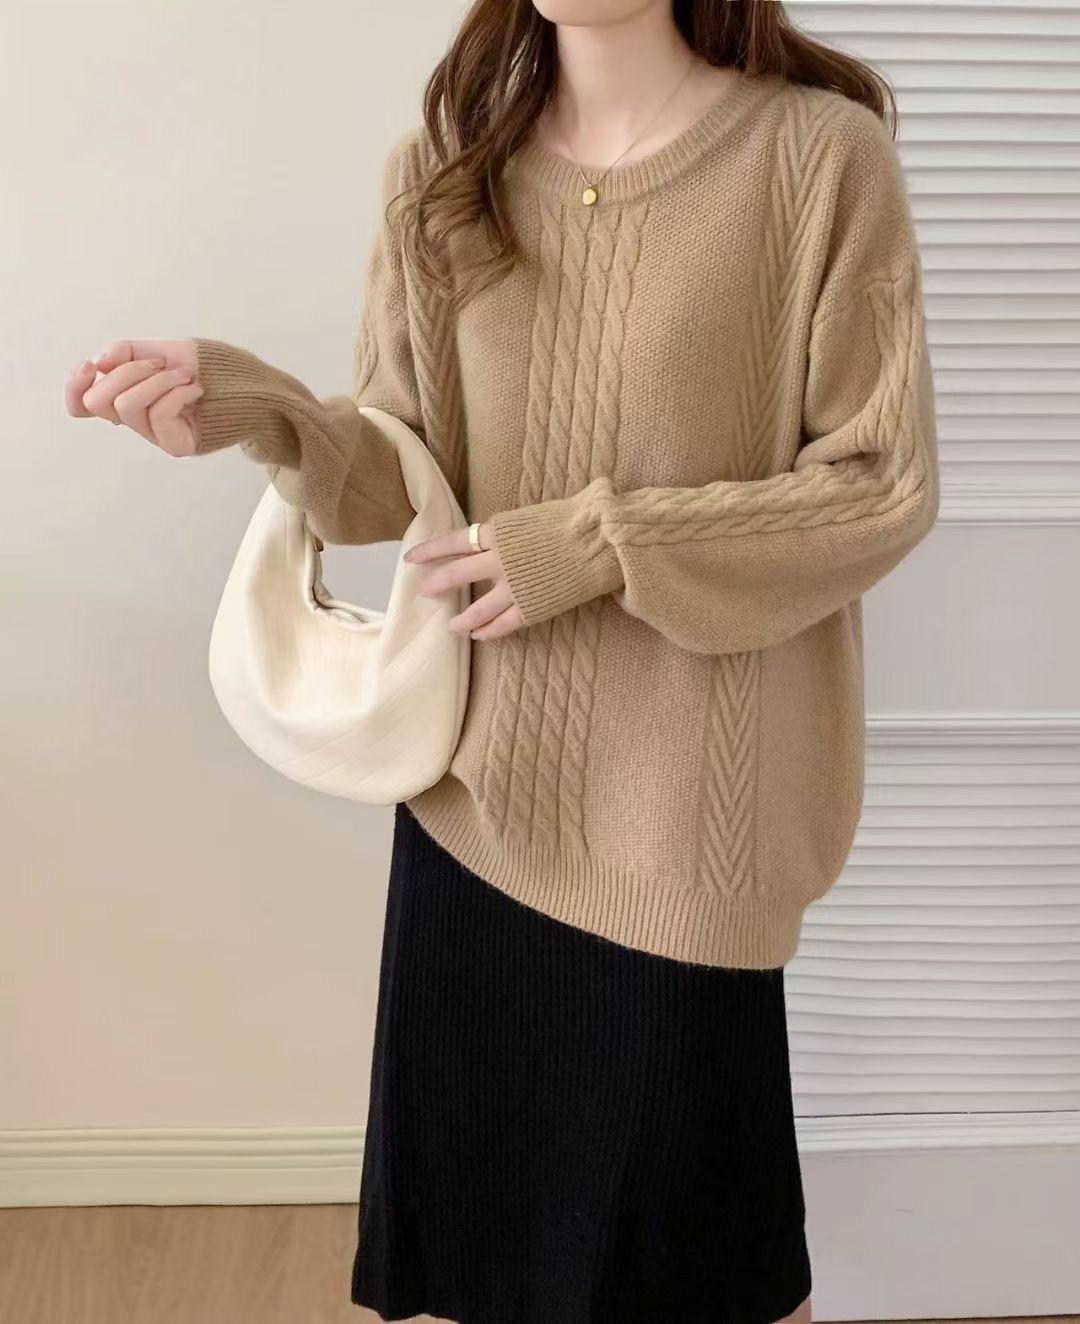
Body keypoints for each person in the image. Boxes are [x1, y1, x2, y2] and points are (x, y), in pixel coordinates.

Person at [65, 1, 939, 1319]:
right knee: (494, 1270)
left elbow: (879, 486)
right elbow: (399, 479)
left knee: (712, 1270)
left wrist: (590, 545)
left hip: (687, 817)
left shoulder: (818, 156)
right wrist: (263, 411)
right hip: (474, 798)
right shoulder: (445, 165)